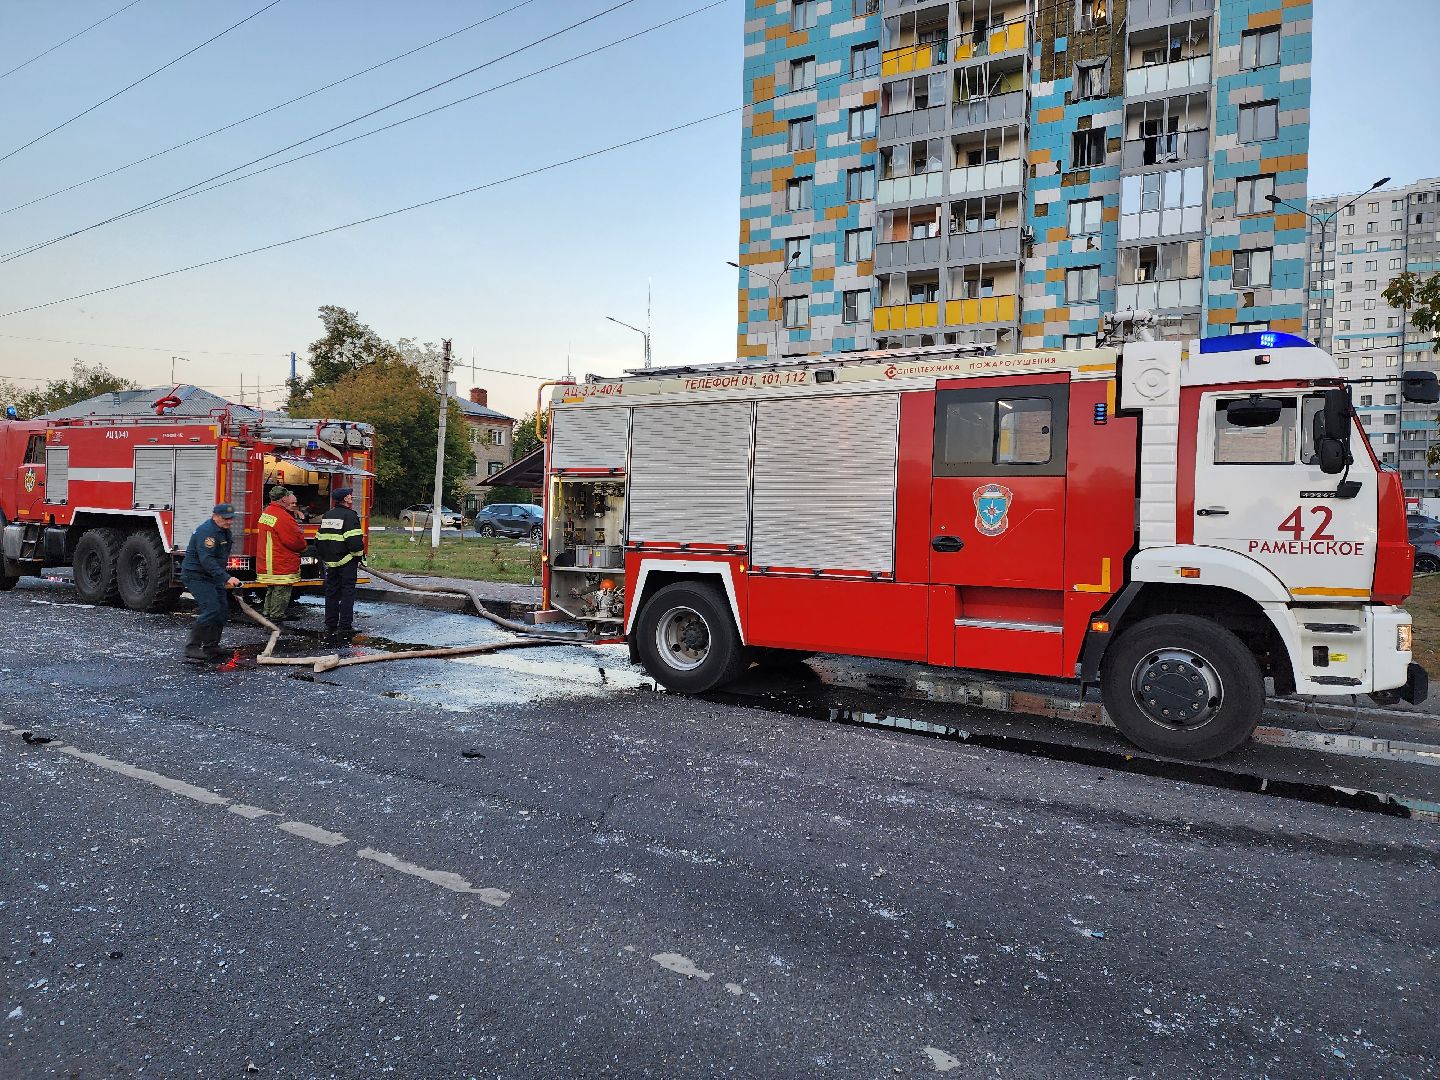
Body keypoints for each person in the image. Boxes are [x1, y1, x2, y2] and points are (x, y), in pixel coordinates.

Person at [180, 503, 241, 661]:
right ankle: (192, 647)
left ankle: (211, 646)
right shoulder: (207, 532)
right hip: (197, 575)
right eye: (225, 518)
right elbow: (207, 560)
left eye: (231, 518)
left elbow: (220, 558)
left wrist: (222, 577)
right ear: (215, 516)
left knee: (221, 609)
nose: (229, 522)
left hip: (212, 576)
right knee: (211, 609)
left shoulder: (224, 531)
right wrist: (226, 578)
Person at [316, 486, 364, 640]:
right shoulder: (350, 516)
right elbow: (355, 541)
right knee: (347, 592)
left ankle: (330, 623)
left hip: (331, 562)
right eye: (350, 495)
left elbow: (319, 539)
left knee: (331, 592)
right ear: (345, 499)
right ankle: (345, 626)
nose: (351, 497)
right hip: (347, 561)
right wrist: (358, 556)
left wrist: (326, 556)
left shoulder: (328, 515)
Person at [257, 485, 308, 622]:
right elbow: (294, 540)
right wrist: (304, 547)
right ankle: (276, 619)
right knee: (281, 591)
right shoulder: (282, 516)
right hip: (280, 561)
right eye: (288, 497)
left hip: (269, 560)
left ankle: (267, 614)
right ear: (283, 499)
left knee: (272, 589)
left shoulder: (268, 511)